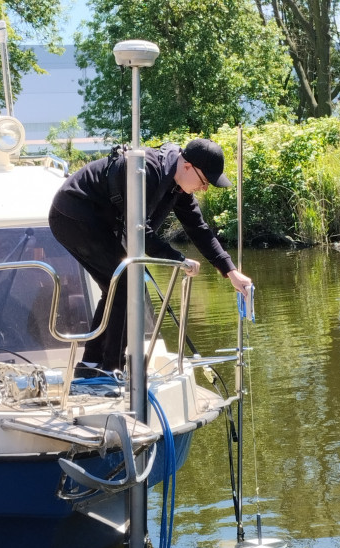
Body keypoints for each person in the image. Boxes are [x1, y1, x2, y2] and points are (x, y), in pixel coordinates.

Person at [48, 138, 252, 378]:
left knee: (116, 286)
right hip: (73, 213)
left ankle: (92, 366)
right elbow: (139, 232)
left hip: (96, 221)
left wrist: (230, 271)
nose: (204, 188)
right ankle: (110, 369)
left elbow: (198, 228)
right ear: (187, 166)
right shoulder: (148, 173)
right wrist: (177, 258)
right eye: (204, 181)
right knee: (124, 282)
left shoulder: (177, 185)